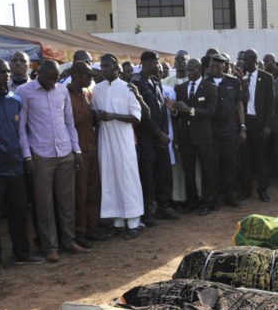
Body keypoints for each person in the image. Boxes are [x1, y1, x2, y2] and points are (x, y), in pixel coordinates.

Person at [0, 58, 45, 276]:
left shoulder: (16, 100)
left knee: (19, 212)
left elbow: (22, 132)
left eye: (7, 72)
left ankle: (22, 253)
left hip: (16, 166)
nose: (5, 76)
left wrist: (25, 159)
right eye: (1, 72)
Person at [17, 60, 89, 262]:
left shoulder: (62, 91)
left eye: (55, 79)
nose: (52, 82)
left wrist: (76, 150)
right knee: (44, 204)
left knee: (67, 201)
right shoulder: (24, 92)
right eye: (49, 78)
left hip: (65, 152)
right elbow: (21, 128)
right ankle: (49, 246)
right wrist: (27, 157)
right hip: (41, 155)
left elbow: (69, 122)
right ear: (38, 73)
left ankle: (69, 241)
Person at [93, 54, 144, 239]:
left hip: (123, 141)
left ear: (116, 68)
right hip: (105, 140)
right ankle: (117, 222)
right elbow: (94, 112)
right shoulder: (97, 89)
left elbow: (136, 117)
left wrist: (113, 116)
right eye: (102, 66)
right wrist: (98, 116)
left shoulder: (127, 87)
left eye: (108, 66)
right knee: (109, 177)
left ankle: (134, 222)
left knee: (127, 178)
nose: (104, 69)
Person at [66, 61, 108, 247]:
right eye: (88, 75)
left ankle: (91, 228)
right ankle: (79, 232)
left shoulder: (85, 94)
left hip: (91, 148)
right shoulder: (65, 95)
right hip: (77, 152)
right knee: (80, 194)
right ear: (77, 75)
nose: (91, 79)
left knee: (93, 191)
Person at [134, 51, 179, 224]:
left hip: (160, 138)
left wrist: (164, 133)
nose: (159, 66)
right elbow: (144, 116)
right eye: (156, 62)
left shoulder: (156, 82)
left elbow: (162, 111)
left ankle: (164, 207)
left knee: (164, 173)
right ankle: (147, 212)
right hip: (147, 138)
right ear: (147, 63)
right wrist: (159, 133)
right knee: (147, 176)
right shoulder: (136, 83)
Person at [174, 58, 219, 215]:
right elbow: (179, 113)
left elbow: (211, 111)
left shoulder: (210, 87)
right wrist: (173, 110)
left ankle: (208, 202)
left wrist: (190, 110)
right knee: (188, 171)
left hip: (203, 136)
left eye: (191, 70)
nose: (188, 72)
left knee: (207, 170)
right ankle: (192, 201)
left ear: (199, 70)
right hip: (186, 136)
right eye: (187, 70)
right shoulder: (181, 88)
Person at [207, 54, 245, 208]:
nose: (214, 69)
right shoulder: (205, 83)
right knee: (213, 166)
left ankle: (229, 196)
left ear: (224, 66)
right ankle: (215, 198)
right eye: (212, 66)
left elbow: (239, 105)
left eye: (217, 66)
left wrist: (243, 127)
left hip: (230, 129)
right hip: (212, 130)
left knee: (230, 164)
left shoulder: (233, 82)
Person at [238, 49, 274, 202]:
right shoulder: (240, 77)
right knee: (245, 158)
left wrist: (267, 125)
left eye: (246, 60)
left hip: (259, 123)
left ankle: (262, 189)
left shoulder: (266, 77)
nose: (244, 63)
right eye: (243, 60)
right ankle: (246, 189)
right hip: (244, 122)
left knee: (260, 157)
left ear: (254, 60)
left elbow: (270, 103)